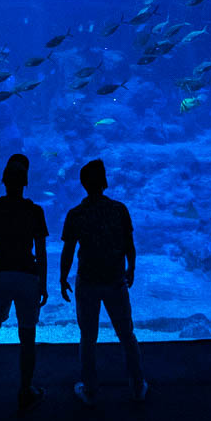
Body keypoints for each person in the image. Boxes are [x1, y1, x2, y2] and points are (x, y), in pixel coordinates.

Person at [59, 159, 147, 405]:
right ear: (104, 182)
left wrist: (62, 276)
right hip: (115, 280)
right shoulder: (119, 209)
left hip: (87, 282)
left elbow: (68, 251)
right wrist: (131, 267)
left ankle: (90, 388)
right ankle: (137, 386)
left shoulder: (76, 214)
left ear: (83, 185)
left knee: (88, 336)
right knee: (127, 334)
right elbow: (129, 244)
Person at [0, 154, 49, 411]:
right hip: (28, 276)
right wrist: (43, 283)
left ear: (3, 181)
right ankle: (25, 390)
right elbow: (41, 251)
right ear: (26, 182)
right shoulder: (35, 211)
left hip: (1, 275)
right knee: (27, 337)